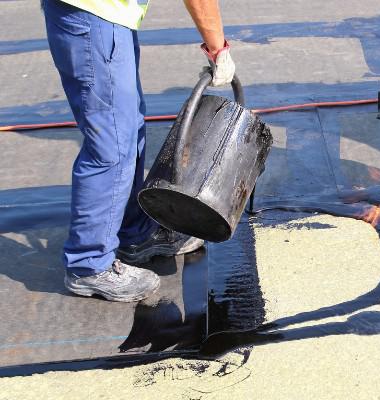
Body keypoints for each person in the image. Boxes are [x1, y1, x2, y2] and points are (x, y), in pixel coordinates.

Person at [41, 0, 235, 302]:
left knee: (127, 128)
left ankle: (135, 232)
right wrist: (218, 49)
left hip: (104, 15)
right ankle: (89, 263)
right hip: (93, 14)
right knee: (111, 145)